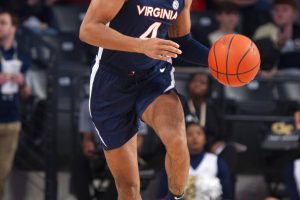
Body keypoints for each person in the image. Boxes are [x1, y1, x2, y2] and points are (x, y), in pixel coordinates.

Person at [79, 0, 209, 199]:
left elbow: (181, 41)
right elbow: (88, 29)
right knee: (128, 187)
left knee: (176, 141)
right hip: (111, 82)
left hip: (153, 76)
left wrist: (216, 60)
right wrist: (140, 46)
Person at [182, 72, 237, 186]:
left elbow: (224, 132)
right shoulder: (181, 105)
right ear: (189, 84)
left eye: (202, 83)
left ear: (209, 87)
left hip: (210, 148)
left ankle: (226, 191)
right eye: (195, 81)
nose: (197, 85)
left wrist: (220, 143)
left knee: (230, 150)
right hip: (184, 147)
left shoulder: (213, 107)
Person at [0, 9, 31, 200]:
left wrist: (22, 82)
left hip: (12, 119)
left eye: (3, 23)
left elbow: (27, 94)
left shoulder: (22, 55)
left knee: (3, 171)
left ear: (14, 28)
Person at [159, 122, 233, 200]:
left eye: (199, 133)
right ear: (183, 139)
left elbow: (227, 193)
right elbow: (163, 194)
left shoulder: (217, 162)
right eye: (190, 134)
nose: (194, 137)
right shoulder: (173, 163)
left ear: (205, 139)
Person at [253, 0, 300, 74]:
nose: (280, 14)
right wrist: (277, 44)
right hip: (271, 79)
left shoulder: (298, 31)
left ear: (294, 13)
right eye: (276, 10)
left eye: (285, 10)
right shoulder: (263, 31)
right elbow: (257, 58)